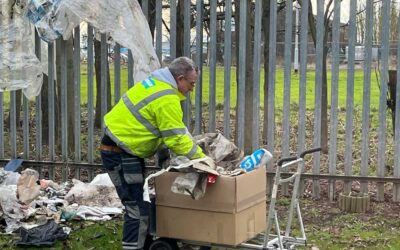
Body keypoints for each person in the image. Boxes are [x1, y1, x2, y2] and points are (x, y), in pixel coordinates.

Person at [100, 56, 206, 250]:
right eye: (191, 83)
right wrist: (203, 159)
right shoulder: (167, 98)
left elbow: (162, 130)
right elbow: (175, 138)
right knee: (136, 209)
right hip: (121, 152)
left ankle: (145, 244)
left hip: (123, 148)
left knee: (140, 206)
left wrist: (165, 158)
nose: (192, 88)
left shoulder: (154, 83)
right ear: (180, 78)